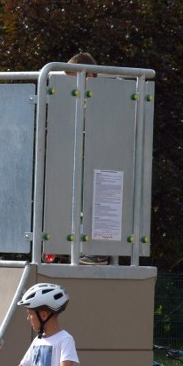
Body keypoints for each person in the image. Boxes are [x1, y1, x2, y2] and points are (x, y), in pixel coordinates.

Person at [68, 52, 109, 266]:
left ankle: (96, 250)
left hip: (96, 158)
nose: (69, 84)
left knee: (94, 198)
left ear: (89, 76)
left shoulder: (101, 97)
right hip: (78, 156)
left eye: (72, 77)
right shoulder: (71, 99)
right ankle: (74, 249)